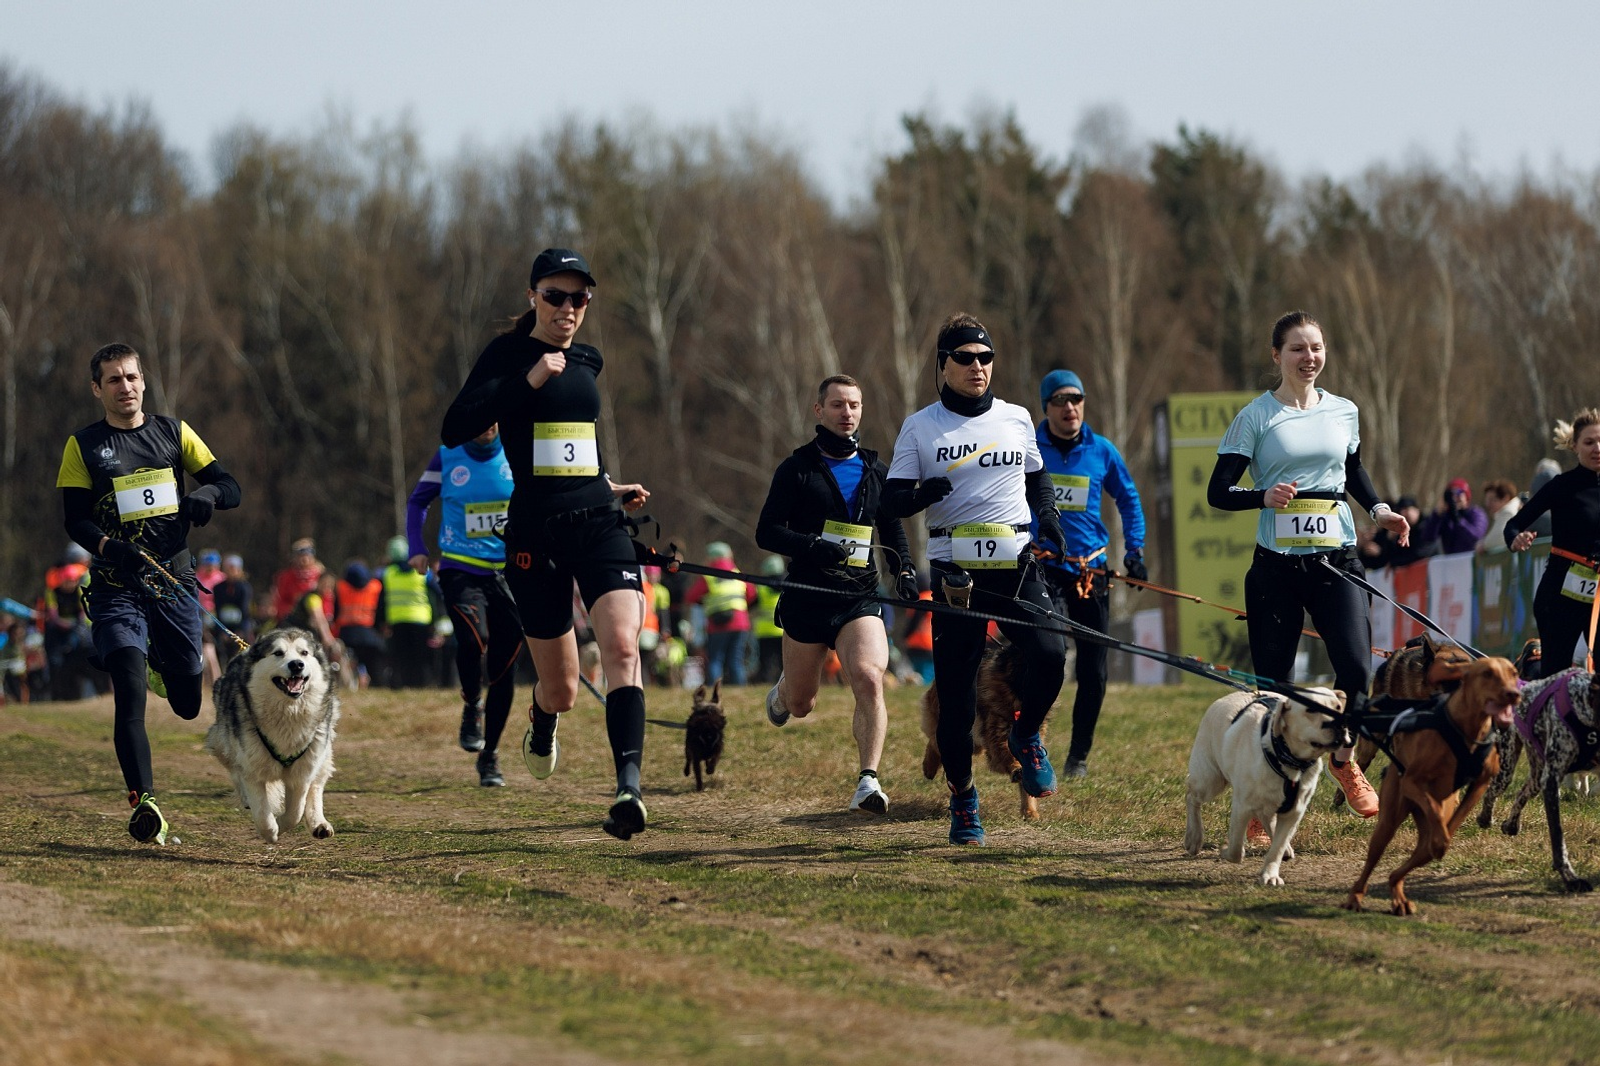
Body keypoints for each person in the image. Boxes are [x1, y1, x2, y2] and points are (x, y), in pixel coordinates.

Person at [441, 247, 654, 839]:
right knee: (561, 689)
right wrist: (527, 380)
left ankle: (629, 788)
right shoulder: (507, 355)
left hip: (598, 523)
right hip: (535, 532)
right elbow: (454, 426)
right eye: (556, 296)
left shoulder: (589, 359)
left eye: (579, 298)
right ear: (533, 295)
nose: (568, 308)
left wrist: (610, 485)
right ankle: (542, 714)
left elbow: (576, 443)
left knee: (623, 647)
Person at [1207, 311, 1409, 819]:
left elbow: (1353, 469)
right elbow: (1218, 491)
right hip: (1276, 568)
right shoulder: (1256, 416)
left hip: (1336, 560)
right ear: (1277, 356)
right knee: (1272, 688)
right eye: (1297, 348)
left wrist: (1380, 510)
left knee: (1356, 669)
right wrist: (1261, 496)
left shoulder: (1344, 411)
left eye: (1316, 347)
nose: (1309, 357)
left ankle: (1343, 760)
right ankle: (1261, 800)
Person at [883, 313, 1068, 845]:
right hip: (955, 572)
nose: (977, 367)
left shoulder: (1015, 418)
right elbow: (890, 502)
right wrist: (922, 495)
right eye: (965, 358)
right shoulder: (921, 426)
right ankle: (963, 799)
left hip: (1015, 562)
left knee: (1051, 654)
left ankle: (1026, 734)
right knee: (957, 698)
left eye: (986, 358)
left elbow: (1038, 480)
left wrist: (1049, 517)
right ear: (944, 364)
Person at [56, 342, 241, 844]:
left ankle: (158, 662)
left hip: (174, 582)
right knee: (128, 688)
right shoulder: (83, 446)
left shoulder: (174, 433)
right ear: (97, 389)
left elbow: (230, 485)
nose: (126, 387)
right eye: (114, 379)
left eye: (132, 377)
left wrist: (206, 495)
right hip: (116, 587)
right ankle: (146, 802)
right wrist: (109, 547)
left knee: (187, 703)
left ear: (144, 381)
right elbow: (75, 519)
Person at [755, 374, 917, 815]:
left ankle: (868, 781)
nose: (847, 413)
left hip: (858, 597)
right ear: (819, 410)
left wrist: (903, 569)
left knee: (868, 677)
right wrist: (811, 545)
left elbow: (892, 528)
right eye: (838, 405)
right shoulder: (797, 469)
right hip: (808, 597)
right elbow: (766, 531)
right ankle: (784, 690)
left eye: (854, 405)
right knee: (801, 704)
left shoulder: (875, 470)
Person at [1033, 368, 1147, 779]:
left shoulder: (1101, 450)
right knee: (1046, 659)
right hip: (1043, 568)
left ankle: (1077, 757)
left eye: (1076, 399)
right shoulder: (1030, 448)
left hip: (1090, 572)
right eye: (1060, 400)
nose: (1070, 407)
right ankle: (1031, 744)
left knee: (1094, 671)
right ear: (1046, 407)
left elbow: (1129, 499)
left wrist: (1135, 550)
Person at [406, 422, 524, 786]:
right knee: (474, 639)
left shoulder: (518, 451)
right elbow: (418, 501)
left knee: (504, 668)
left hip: (509, 573)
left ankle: (490, 756)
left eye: (494, 418)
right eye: (480, 418)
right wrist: (417, 547)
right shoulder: (447, 456)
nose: (487, 425)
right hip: (460, 568)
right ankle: (473, 704)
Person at [1505, 409, 1600, 677]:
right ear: (1575, 446)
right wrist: (1515, 539)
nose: (1597, 448)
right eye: (1589, 442)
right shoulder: (1562, 486)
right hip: (1561, 594)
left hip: (1598, 595)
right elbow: (1513, 524)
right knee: (1556, 675)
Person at [685, 542, 757, 686]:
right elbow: (752, 593)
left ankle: (714, 690)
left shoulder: (708, 576)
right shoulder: (738, 574)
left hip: (717, 624)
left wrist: (704, 600)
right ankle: (741, 690)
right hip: (740, 623)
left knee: (716, 659)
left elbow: (690, 597)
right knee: (736, 660)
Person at [378, 535, 434, 688]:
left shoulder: (388, 573)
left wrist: (381, 621)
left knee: (402, 657)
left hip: (397, 620)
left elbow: (382, 600)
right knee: (420, 657)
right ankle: (421, 685)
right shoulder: (423, 571)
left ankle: (403, 684)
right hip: (421, 620)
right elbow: (435, 595)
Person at [333, 560, 385, 689]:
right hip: (369, 634)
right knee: (374, 664)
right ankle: (377, 685)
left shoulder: (341, 587)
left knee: (348, 664)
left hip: (347, 634)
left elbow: (336, 611)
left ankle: (351, 685)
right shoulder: (375, 586)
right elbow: (381, 610)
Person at [1415, 478, 1488, 555]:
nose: (1455, 498)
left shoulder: (1476, 513)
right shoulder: (1446, 516)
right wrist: (1436, 516)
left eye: (1459, 493)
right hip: (1451, 559)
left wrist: (1458, 520)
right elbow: (1428, 538)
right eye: (1451, 495)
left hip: (1471, 558)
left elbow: (1475, 536)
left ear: (1466, 496)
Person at [210, 553, 255, 666]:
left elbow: (245, 610)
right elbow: (218, 609)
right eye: (228, 568)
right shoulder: (218, 588)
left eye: (233, 568)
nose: (231, 571)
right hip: (223, 624)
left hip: (240, 624)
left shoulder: (244, 587)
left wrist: (240, 630)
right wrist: (222, 631)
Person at [750, 556, 785, 685]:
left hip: (764, 632)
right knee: (784, 663)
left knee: (765, 662)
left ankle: (765, 683)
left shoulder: (761, 588)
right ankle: (784, 684)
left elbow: (751, 604)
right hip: (783, 630)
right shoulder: (788, 586)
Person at [271, 538, 324, 624]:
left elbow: (328, 597)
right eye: (300, 555)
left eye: (307, 555)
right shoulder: (286, 576)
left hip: (318, 618)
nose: (304, 559)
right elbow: (281, 599)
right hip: (293, 618)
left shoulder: (320, 574)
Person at [1478, 478, 1521, 553]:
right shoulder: (1508, 512)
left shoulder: (1509, 512)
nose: (1488, 504)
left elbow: (1501, 537)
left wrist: (1483, 545)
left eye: (1492, 500)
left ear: (1505, 498)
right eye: (1487, 500)